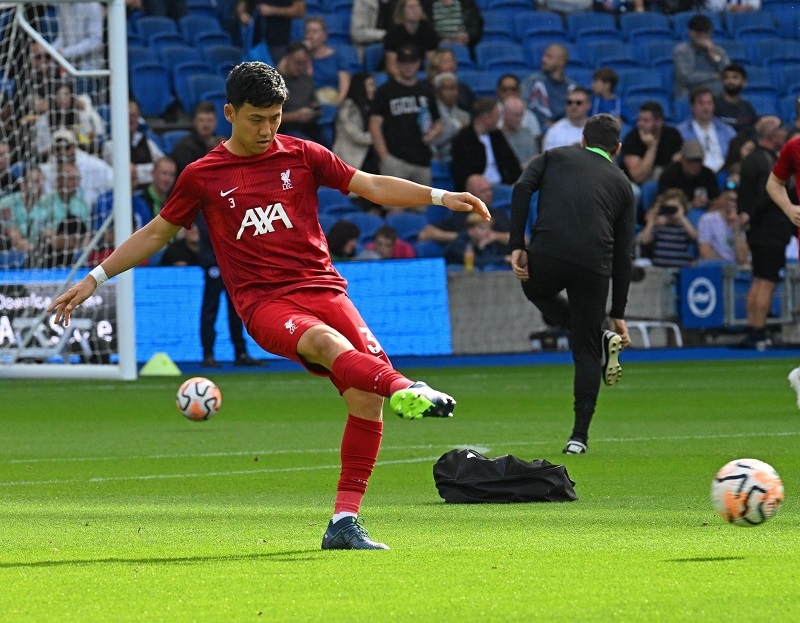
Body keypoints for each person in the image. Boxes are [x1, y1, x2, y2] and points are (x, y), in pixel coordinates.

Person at [48, 61, 489, 551]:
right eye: (257, 118)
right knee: (328, 345)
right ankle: (407, 385)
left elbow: (370, 185)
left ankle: (344, 522)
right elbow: (157, 232)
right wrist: (95, 277)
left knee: (365, 398)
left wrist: (442, 195)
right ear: (230, 113)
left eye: (275, 117)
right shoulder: (202, 175)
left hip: (325, 289)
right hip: (265, 304)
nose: (267, 129)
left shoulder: (302, 154)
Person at [508, 113, 635, 455]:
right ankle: (579, 437)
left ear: (582, 140)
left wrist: (516, 245)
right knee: (586, 349)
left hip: (547, 254)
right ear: (617, 149)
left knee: (533, 288)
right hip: (595, 265)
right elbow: (625, 254)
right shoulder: (623, 184)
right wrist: (618, 313)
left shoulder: (554, 156)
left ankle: (593, 330)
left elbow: (521, 188)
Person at [737, 116, 792, 349]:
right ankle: (759, 330)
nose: (784, 132)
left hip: (759, 231)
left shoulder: (753, 158)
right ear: (771, 134)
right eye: (780, 128)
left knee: (758, 278)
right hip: (769, 230)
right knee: (767, 281)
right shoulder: (767, 161)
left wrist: (747, 216)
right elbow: (767, 193)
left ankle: (753, 327)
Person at [370, 44, 442, 212]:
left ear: (418, 63)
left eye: (412, 62)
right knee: (394, 212)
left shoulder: (426, 90)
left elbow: (438, 122)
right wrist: (385, 158)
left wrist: (433, 134)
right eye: (404, 62)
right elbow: (374, 125)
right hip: (396, 160)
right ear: (397, 64)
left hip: (422, 161)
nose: (408, 66)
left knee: (420, 213)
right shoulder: (385, 91)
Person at [196, 213, 263, 367]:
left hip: (233, 264)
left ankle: (240, 353)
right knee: (210, 309)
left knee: (236, 310)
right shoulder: (208, 204)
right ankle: (208, 354)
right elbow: (207, 233)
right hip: (215, 262)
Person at [450, 97, 521, 192]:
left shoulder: (497, 135)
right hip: (479, 190)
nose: (499, 119)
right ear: (487, 118)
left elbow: (512, 163)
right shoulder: (463, 139)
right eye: (497, 115)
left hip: (502, 185)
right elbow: (462, 175)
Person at [418, 173, 510, 245]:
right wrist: (464, 236)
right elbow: (426, 233)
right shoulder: (459, 215)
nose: (489, 194)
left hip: (496, 259)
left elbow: (522, 240)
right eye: (483, 191)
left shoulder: (498, 214)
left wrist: (494, 236)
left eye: (490, 190)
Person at [102, 98, 165, 189]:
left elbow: (162, 164)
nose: (131, 119)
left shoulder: (144, 140)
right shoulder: (110, 145)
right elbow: (126, 173)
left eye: (134, 115)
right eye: (128, 115)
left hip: (147, 191)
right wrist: (151, 170)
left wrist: (137, 169)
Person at [620, 100, 683, 187]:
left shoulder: (672, 134)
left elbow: (680, 163)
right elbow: (638, 177)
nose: (640, 124)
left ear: (659, 121)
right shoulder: (632, 138)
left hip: (666, 180)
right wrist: (651, 147)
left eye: (646, 121)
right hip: (635, 184)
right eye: (639, 120)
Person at [676, 86, 736, 174]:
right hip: (696, 175)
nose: (706, 107)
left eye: (709, 103)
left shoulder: (727, 130)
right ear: (692, 106)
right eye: (701, 103)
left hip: (726, 174)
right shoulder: (680, 132)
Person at [519, 43, 577, 131]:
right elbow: (522, 107)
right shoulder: (532, 81)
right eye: (544, 56)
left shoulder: (572, 87)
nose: (543, 59)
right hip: (537, 131)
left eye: (549, 57)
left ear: (561, 61)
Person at [672, 14, 729, 100]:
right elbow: (686, 78)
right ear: (690, 33)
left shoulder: (717, 50)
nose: (703, 38)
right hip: (691, 93)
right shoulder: (681, 51)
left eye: (706, 34)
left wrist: (714, 55)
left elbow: (727, 72)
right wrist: (714, 76)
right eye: (699, 34)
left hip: (717, 94)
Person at [637, 188, 698, 267]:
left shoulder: (685, 227)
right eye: (668, 207)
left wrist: (681, 217)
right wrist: (651, 221)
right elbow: (644, 241)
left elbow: (695, 236)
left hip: (680, 268)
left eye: (674, 208)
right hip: (660, 269)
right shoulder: (659, 226)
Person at [332, 71, 379, 173]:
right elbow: (357, 136)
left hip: (369, 156)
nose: (373, 89)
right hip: (351, 158)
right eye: (370, 85)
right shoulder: (348, 108)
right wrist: (379, 137)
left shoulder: (372, 107)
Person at [276, 41, 322, 143]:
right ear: (287, 58)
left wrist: (315, 111)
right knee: (307, 144)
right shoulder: (275, 81)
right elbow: (267, 116)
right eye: (297, 63)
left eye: (304, 64)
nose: (300, 67)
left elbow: (314, 103)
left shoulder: (306, 79)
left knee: (326, 140)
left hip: (308, 125)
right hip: (284, 128)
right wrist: (294, 116)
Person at [234, 0, 307, 64]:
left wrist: (272, 10)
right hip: (253, 43)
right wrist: (243, 15)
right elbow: (241, 6)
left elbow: (299, 11)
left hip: (279, 42)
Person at [383, 0, 440, 79]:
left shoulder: (428, 30)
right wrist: (405, 81)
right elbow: (391, 65)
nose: (415, 10)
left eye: (418, 6)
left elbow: (432, 62)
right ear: (402, 11)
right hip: (398, 74)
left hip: (421, 72)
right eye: (411, 7)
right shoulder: (393, 33)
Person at [657, 139, 720, 211]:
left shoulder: (708, 174)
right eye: (690, 160)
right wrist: (690, 204)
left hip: (706, 211)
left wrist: (709, 203)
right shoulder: (670, 174)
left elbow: (716, 199)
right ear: (682, 159)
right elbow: (663, 201)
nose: (695, 164)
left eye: (698, 160)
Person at [304, 16, 351, 106]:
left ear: (325, 35)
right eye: (307, 32)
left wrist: (335, 106)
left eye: (315, 32)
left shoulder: (338, 57)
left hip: (333, 99)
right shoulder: (301, 58)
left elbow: (344, 87)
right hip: (308, 101)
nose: (310, 36)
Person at [171, 102, 227, 175]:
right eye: (201, 120)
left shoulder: (221, 144)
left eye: (209, 120)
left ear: (215, 122)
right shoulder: (184, 147)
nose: (206, 125)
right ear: (195, 122)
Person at [697, 190, 750, 266]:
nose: (733, 204)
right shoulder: (708, 219)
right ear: (722, 200)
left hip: (737, 269)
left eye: (736, 201)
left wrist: (736, 228)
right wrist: (728, 264)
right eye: (730, 200)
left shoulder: (740, 221)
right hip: (716, 267)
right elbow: (705, 253)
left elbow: (742, 258)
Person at [444, 211, 510, 270]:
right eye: (482, 228)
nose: (487, 232)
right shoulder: (460, 242)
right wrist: (504, 258)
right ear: (470, 230)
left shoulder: (487, 241)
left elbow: (489, 259)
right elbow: (477, 262)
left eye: (489, 228)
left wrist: (482, 248)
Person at [52, 1, 105, 71]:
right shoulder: (63, 4)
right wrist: (50, 50)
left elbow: (95, 41)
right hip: (69, 66)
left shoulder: (93, 5)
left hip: (89, 69)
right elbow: (62, 36)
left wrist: (65, 52)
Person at [430, 72, 470, 162]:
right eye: (447, 88)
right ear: (438, 91)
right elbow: (433, 140)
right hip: (437, 158)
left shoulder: (464, 115)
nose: (452, 93)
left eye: (454, 88)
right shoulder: (430, 113)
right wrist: (458, 126)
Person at [714, 64, 757, 138]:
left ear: (744, 82)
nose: (730, 81)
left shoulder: (747, 108)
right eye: (726, 77)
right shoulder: (714, 105)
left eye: (735, 77)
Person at [542, 86, 591, 152]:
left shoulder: (596, 131)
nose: (573, 106)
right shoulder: (554, 131)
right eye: (569, 102)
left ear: (588, 105)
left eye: (578, 103)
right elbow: (548, 159)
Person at [500, 95, 538, 168]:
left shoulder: (526, 133)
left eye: (521, 114)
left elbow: (535, 158)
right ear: (504, 113)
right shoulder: (497, 137)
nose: (519, 119)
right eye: (516, 115)